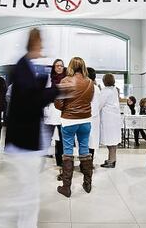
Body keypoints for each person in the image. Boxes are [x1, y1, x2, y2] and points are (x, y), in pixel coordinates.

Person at [5, 28, 58, 228]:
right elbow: (31, 101)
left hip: (28, 136)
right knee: (28, 191)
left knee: (28, 189)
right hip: (24, 139)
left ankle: (25, 222)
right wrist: (58, 90)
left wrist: (46, 80)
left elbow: (31, 93)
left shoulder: (26, 67)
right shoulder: (22, 68)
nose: (42, 48)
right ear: (34, 43)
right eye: (41, 43)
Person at [55, 57, 94, 197]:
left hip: (69, 121)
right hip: (85, 120)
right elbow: (90, 100)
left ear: (70, 66)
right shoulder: (90, 82)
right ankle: (87, 183)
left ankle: (66, 187)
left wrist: (68, 107)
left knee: (67, 151)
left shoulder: (65, 81)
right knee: (84, 150)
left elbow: (58, 104)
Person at [43, 59, 66, 179]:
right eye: (57, 66)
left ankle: (60, 161)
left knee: (61, 138)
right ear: (53, 67)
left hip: (62, 111)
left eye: (61, 66)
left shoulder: (67, 79)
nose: (59, 68)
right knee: (47, 135)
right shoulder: (49, 78)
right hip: (51, 109)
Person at [99, 73, 122, 169]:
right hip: (115, 119)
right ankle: (112, 159)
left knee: (110, 141)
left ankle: (111, 161)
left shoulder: (105, 91)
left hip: (108, 119)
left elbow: (99, 104)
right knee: (113, 140)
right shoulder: (114, 90)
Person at [87, 67, 100, 163]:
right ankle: (89, 163)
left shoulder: (89, 87)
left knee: (87, 142)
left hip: (88, 117)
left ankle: (86, 163)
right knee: (91, 142)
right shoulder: (97, 89)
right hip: (94, 117)